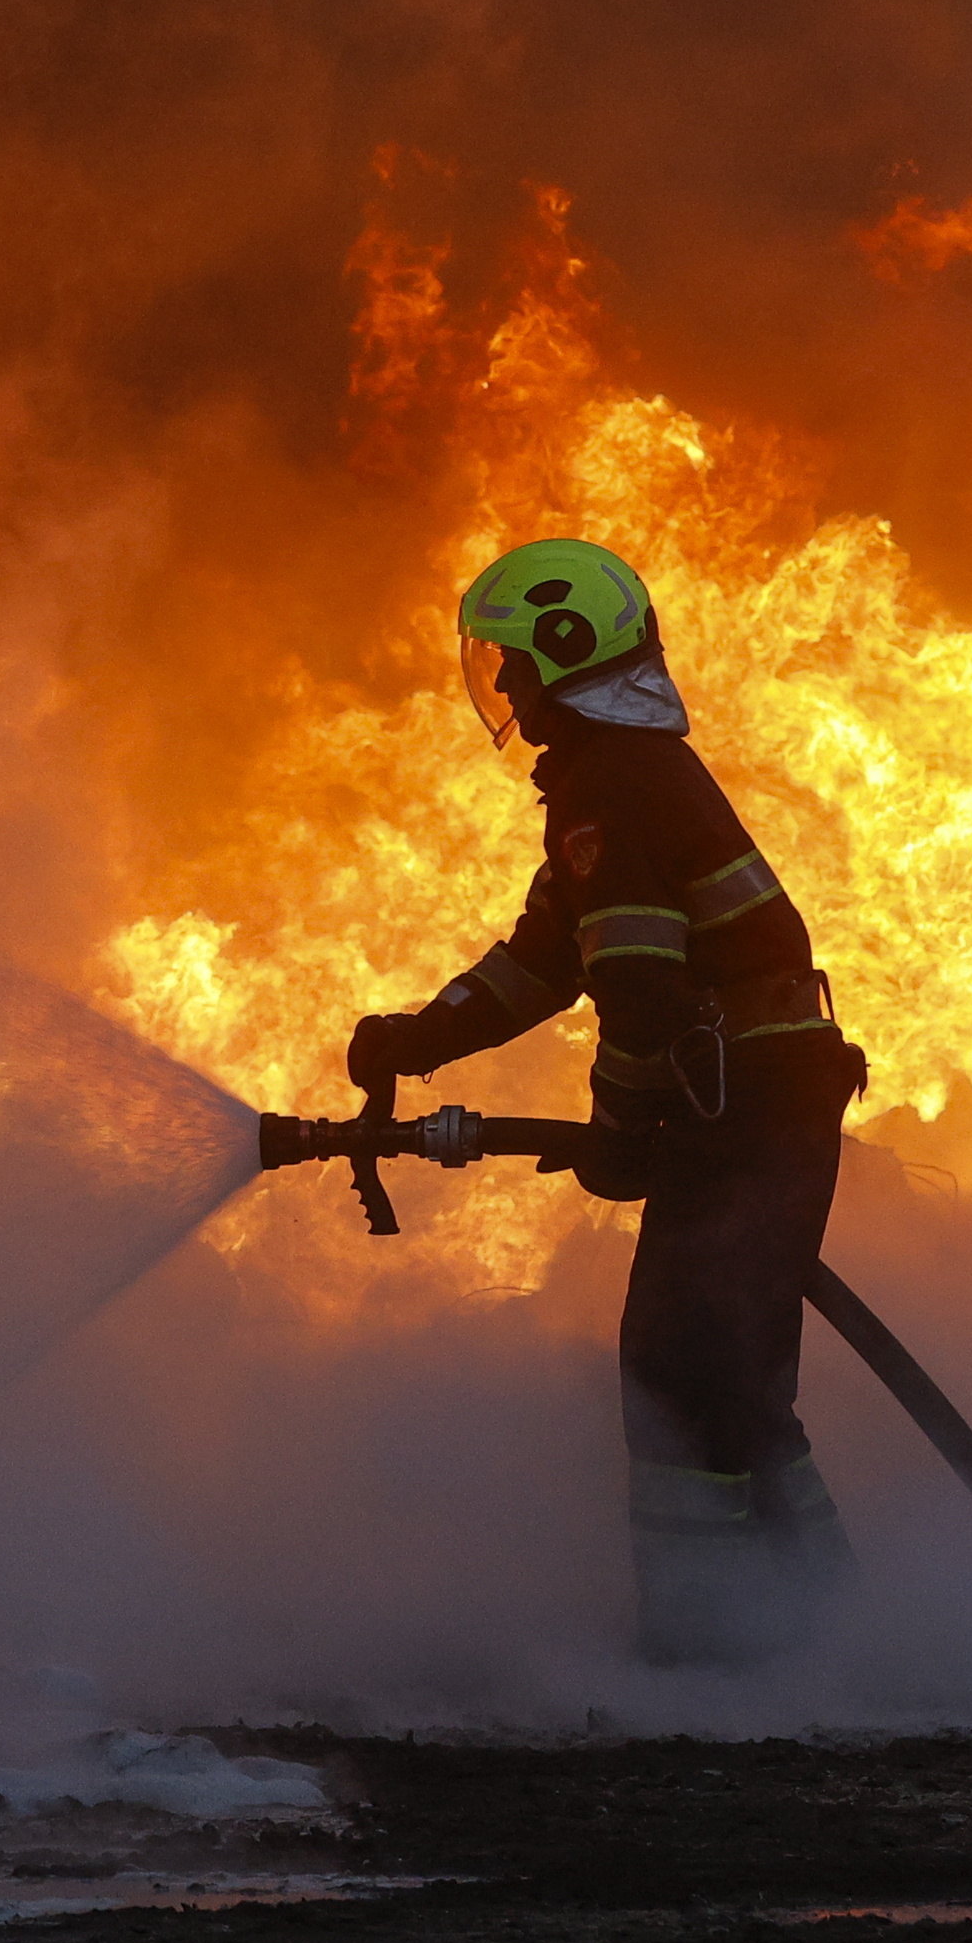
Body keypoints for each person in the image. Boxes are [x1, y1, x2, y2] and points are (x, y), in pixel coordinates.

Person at [347, 537, 868, 1668]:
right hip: (758, 1101)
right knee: (732, 1374)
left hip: (745, 1108)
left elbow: (637, 993)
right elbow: (546, 957)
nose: (506, 689)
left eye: (513, 664)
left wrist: (623, 1134)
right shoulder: (619, 787)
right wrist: (415, 1037)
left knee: (682, 1373)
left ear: (563, 654)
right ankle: (822, 1627)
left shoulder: (615, 789)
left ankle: (713, 1643)